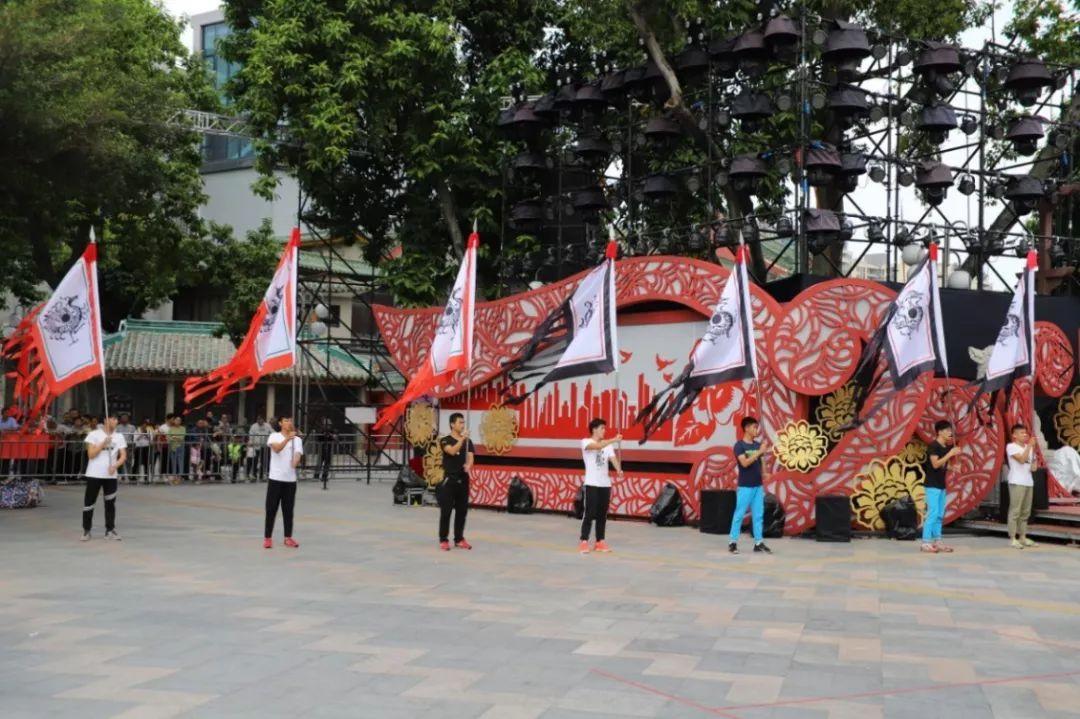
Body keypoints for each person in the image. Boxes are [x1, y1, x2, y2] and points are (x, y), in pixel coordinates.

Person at [578, 418, 623, 554]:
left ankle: (600, 541)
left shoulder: (608, 446)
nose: (604, 430)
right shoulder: (586, 442)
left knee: (602, 514)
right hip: (592, 483)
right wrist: (615, 439)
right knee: (589, 512)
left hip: (605, 484)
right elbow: (597, 447)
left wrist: (619, 469)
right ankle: (584, 541)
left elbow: (613, 459)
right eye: (602, 428)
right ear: (594, 429)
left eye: (605, 428)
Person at [729, 416, 772, 555]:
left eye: (757, 427)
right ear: (746, 428)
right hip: (745, 486)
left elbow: (762, 461)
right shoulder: (739, 446)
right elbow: (744, 463)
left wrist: (765, 473)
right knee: (739, 514)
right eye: (754, 427)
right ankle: (733, 542)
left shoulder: (757, 444)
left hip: (758, 486)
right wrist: (760, 451)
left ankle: (758, 543)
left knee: (758, 515)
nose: (756, 430)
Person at [81, 414, 127, 541]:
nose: (115, 421)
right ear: (106, 420)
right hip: (94, 474)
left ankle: (110, 530)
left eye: (116, 419)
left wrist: (115, 466)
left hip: (110, 476)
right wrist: (103, 443)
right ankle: (86, 530)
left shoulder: (119, 436)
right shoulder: (94, 434)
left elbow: (123, 455)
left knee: (110, 504)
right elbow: (91, 454)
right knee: (89, 503)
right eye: (113, 419)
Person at [437, 412, 474, 551]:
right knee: (446, 511)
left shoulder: (468, 441)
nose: (462, 425)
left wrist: (469, 465)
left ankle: (459, 538)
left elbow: (470, 456)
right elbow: (452, 451)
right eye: (460, 422)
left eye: (463, 422)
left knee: (462, 511)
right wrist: (462, 439)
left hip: (463, 480)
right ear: (452, 424)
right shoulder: (445, 440)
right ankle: (443, 539)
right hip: (449, 480)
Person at [264, 416, 303, 548]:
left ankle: (288, 537)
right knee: (271, 509)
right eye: (286, 420)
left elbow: (298, 454)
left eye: (291, 420)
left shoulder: (297, 440)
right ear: (280, 423)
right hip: (275, 479)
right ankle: (267, 537)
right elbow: (276, 449)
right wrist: (287, 439)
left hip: (290, 480)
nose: (289, 423)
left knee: (288, 510)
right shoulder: (274, 436)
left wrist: (295, 461)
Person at [923, 420, 960, 553]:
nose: (950, 433)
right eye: (947, 430)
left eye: (950, 430)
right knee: (932, 514)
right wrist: (950, 454)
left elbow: (943, 465)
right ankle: (925, 542)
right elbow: (935, 464)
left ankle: (937, 541)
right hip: (932, 485)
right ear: (939, 432)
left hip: (941, 485)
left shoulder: (945, 447)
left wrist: (952, 467)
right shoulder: (933, 446)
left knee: (939, 514)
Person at [1006, 423, 1039, 549]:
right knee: (1015, 510)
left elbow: (1033, 468)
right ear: (1014, 435)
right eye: (1021, 433)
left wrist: (1034, 459)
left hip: (1028, 481)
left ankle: (1023, 537)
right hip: (1016, 481)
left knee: (1025, 512)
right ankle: (1013, 538)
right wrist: (1029, 446)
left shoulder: (1029, 448)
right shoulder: (1011, 447)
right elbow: (1020, 460)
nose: (1025, 435)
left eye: (1025, 433)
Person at [248, 416, 273, 481]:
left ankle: (262, 475)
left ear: (263, 420)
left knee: (264, 461)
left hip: (265, 446)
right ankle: (254, 475)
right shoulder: (253, 426)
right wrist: (251, 442)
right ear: (257, 420)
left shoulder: (267, 425)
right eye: (259, 420)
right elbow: (250, 435)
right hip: (256, 446)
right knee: (255, 461)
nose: (260, 421)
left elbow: (272, 432)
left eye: (261, 420)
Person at [115, 414, 137, 482]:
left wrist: (134, 446)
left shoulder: (132, 427)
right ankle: (119, 475)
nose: (124, 419)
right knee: (120, 461)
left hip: (129, 446)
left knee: (129, 461)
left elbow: (134, 437)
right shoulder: (117, 427)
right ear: (120, 419)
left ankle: (128, 475)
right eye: (122, 418)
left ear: (128, 419)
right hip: (120, 446)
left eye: (125, 418)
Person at [132, 419, 154, 484]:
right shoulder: (137, 430)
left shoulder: (149, 430)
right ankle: (133, 476)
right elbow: (134, 439)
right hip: (138, 448)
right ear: (141, 424)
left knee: (146, 463)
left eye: (146, 425)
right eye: (143, 424)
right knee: (136, 462)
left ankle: (146, 477)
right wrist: (141, 434)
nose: (145, 426)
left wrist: (147, 435)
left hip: (146, 447)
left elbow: (151, 439)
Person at [167, 415, 186, 484]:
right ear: (174, 421)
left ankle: (180, 476)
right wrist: (175, 437)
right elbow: (168, 437)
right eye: (176, 420)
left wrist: (174, 437)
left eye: (179, 420)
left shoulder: (183, 428)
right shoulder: (171, 428)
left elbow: (182, 437)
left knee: (180, 461)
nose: (178, 421)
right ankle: (174, 476)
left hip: (180, 446)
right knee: (173, 462)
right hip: (172, 447)